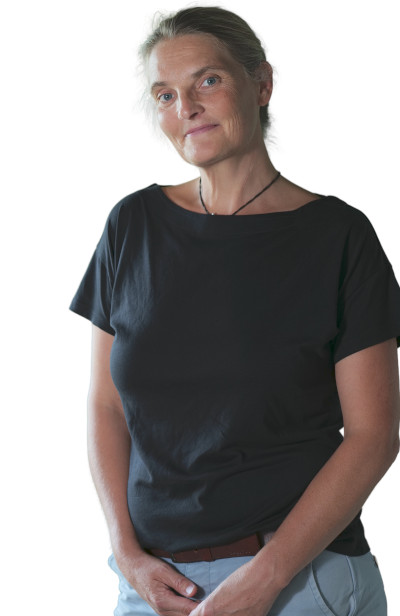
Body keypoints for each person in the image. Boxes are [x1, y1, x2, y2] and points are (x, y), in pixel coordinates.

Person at [69, 6, 400, 615]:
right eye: (165, 94)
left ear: (262, 84)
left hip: (299, 581)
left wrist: (267, 578)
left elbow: (374, 436)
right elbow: (106, 405)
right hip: (153, 588)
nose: (186, 107)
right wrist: (126, 554)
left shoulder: (338, 237)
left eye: (209, 80)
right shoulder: (132, 226)